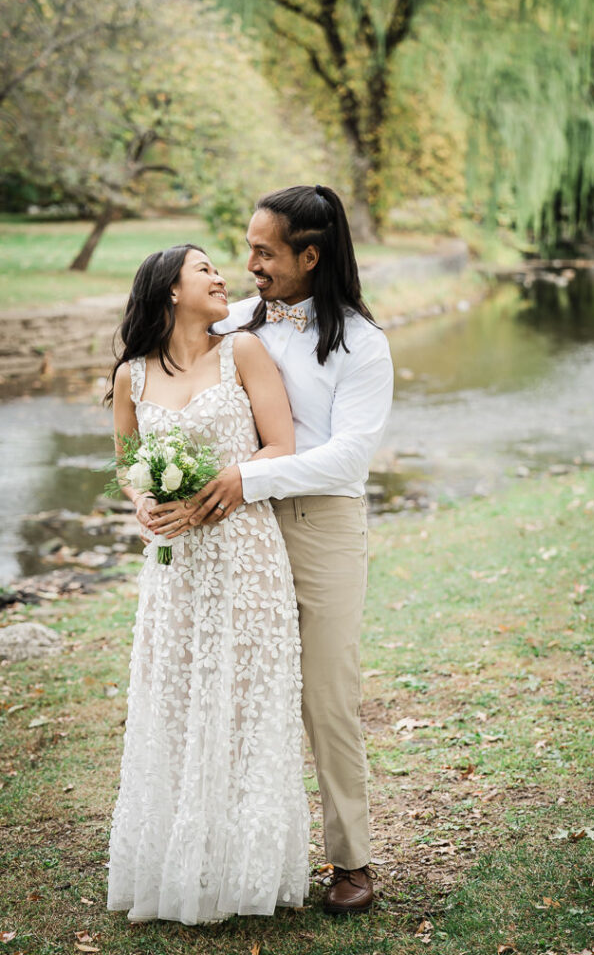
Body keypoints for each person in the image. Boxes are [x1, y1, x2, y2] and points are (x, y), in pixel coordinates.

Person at [185, 185, 394, 915]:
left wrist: (251, 475)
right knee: (238, 688)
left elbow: (345, 460)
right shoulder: (234, 322)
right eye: (247, 249)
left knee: (327, 696)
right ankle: (235, 852)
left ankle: (352, 860)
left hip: (323, 528)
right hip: (240, 529)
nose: (250, 265)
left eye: (264, 252)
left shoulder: (364, 347)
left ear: (310, 256)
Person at [105, 243, 309, 924]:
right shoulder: (131, 376)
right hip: (176, 568)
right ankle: (177, 865)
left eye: (221, 270)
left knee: (245, 706)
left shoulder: (244, 352)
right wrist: (147, 507)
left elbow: (281, 446)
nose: (224, 278)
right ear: (168, 289)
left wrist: (229, 482)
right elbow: (129, 468)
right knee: (179, 701)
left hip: (245, 555)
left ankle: (246, 872)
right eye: (206, 271)